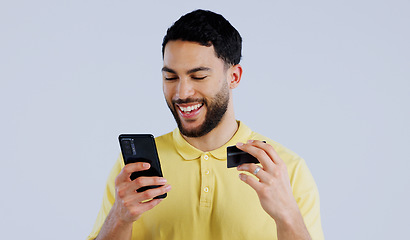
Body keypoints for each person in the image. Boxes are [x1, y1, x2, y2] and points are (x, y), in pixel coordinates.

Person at [87, 9, 324, 240]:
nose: (182, 92)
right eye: (170, 77)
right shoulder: (133, 170)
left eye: (198, 76)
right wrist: (119, 217)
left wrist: (288, 217)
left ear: (234, 77)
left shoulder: (287, 170)